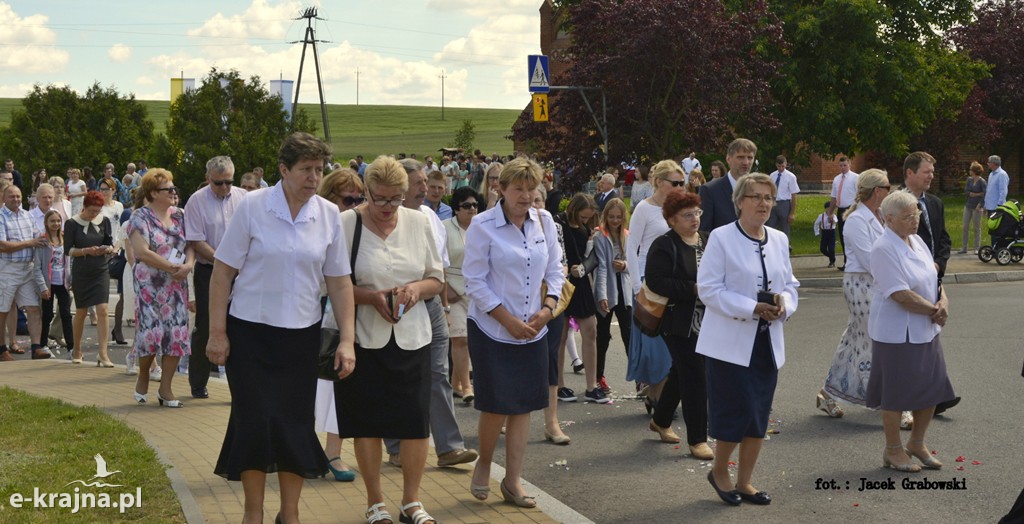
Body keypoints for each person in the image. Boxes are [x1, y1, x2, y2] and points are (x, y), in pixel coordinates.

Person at [208, 133, 355, 524]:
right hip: (250, 336)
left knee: (294, 426)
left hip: (301, 338)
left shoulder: (327, 215)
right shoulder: (253, 207)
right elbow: (222, 274)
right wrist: (217, 333)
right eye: (306, 169)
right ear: (283, 170)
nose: (313, 177)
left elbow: (340, 283)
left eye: (319, 170)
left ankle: (289, 513)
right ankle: (252, 513)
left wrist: (348, 341)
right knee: (254, 422)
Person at [332, 155, 442, 524]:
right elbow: (333, 283)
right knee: (367, 422)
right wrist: (371, 297)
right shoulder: (346, 224)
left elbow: (436, 279)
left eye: (396, 199)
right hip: (363, 338)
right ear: (366, 192)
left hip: (413, 337)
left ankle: (411, 501)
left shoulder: (418, 221)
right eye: (380, 199)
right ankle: (375, 501)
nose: (388, 207)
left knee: (414, 421)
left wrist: (414, 289)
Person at [464, 157, 564, 508]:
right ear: (500, 189)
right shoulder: (482, 225)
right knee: (496, 405)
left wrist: (548, 309)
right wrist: (507, 320)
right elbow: (473, 281)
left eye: (531, 188)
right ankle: (485, 463)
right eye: (517, 188)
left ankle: (512, 481)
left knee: (523, 406)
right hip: (492, 328)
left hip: (535, 327)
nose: (525, 196)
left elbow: (556, 270)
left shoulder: (545, 221)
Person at [697, 173, 799, 506]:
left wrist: (783, 306)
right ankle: (720, 471)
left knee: (757, 413)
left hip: (767, 344)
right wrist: (751, 307)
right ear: (740, 201)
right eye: (756, 197)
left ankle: (745, 480)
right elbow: (709, 290)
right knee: (734, 412)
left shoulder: (779, 239)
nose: (764, 204)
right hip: (729, 344)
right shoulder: (722, 238)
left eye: (769, 198)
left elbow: (790, 285)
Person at [384, 158, 477, 470]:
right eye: (418, 183)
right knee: (400, 378)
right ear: (399, 186)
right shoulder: (386, 218)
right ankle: (396, 447)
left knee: (437, 374)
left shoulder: (430, 217)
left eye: (426, 182)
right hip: (399, 305)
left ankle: (449, 447)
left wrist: (446, 307)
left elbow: (441, 266)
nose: (425, 188)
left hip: (433, 305)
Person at [866, 190, 956, 473]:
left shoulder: (917, 240)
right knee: (895, 392)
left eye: (916, 214)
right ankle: (892, 449)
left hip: (926, 329)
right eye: (907, 217)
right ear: (888, 219)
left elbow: (934, 278)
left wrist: (943, 301)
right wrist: (934, 310)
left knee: (931, 387)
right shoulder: (882, 248)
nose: (915, 220)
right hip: (897, 333)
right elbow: (900, 294)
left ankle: (917, 443)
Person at [643, 191, 713, 458]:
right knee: (696, 375)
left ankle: (660, 421)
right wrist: (693, 288)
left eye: (697, 212)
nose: (695, 219)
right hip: (677, 322)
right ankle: (698, 439)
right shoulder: (664, 244)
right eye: (687, 215)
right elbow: (656, 281)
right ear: (671, 220)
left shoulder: (707, 240)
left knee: (682, 372)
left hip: (708, 321)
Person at [817, 169, 891, 417]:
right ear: (877, 191)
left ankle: (826, 394)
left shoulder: (881, 216)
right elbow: (871, 260)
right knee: (877, 340)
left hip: (878, 284)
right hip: (860, 284)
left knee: (854, 341)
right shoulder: (857, 221)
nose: (891, 191)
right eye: (888, 187)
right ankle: (889, 400)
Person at [313, 168, 364, 483]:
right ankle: (302, 447)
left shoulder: (360, 226)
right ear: (330, 197)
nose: (355, 205)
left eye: (360, 199)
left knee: (339, 382)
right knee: (307, 385)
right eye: (349, 199)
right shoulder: (317, 224)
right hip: (313, 311)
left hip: (346, 315)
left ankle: (333, 451)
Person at [128, 169, 194, 407]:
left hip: (176, 285)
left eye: (174, 188)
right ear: (154, 193)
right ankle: (144, 373)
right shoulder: (140, 217)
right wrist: (170, 266)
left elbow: (191, 244)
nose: (174, 192)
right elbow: (142, 252)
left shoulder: (181, 216)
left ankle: (166, 389)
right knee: (151, 334)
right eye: (169, 189)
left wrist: (188, 264)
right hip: (149, 286)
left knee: (175, 335)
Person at [184, 156, 247, 400]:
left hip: (242, 271)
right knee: (207, 326)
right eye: (219, 183)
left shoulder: (244, 198)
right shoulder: (197, 201)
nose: (224, 188)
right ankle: (198, 382)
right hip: (210, 270)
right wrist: (223, 262)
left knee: (240, 327)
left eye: (229, 182)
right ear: (208, 178)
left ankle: (238, 387)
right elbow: (196, 240)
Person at [902, 151, 959, 417]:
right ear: (910, 173)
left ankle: (935, 395)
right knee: (917, 345)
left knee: (931, 340)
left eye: (933, 172)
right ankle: (924, 397)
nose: (931, 176)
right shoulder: (896, 204)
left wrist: (937, 266)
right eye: (926, 171)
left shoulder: (935, 203)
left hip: (933, 278)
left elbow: (944, 240)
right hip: (910, 283)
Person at [625, 160, 685, 408]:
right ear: (659, 183)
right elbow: (632, 247)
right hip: (648, 283)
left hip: (676, 282)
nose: (680, 187)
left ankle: (664, 399)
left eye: (683, 183)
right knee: (656, 347)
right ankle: (655, 395)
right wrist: (638, 286)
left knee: (676, 346)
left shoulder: (680, 209)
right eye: (675, 183)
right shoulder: (644, 209)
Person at [531, 186, 572, 444]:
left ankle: (552, 423)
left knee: (550, 358)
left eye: (538, 200)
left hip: (550, 300)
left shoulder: (552, 226)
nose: (533, 205)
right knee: (515, 359)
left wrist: (550, 293)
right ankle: (504, 416)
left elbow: (563, 263)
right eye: (529, 199)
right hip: (516, 303)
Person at [557, 193, 607, 403]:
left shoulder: (586, 228)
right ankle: (558, 384)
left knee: (590, 330)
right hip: (562, 282)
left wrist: (584, 268)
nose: (585, 221)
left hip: (581, 281)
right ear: (574, 210)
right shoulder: (558, 222)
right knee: (560, 335)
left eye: (588, 218)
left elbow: (591, 257)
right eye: (583, 217)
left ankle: (591, 385)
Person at [64, 190, 116, 366]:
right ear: (84, 207)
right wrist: (86, 251)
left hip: (100, 270)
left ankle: (103, 353)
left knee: (102, 309)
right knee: (81, 311)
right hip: (82, 271)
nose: (95, 214)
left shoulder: (105, 221)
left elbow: (110, 243)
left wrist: (107, 249)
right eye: (92, 210)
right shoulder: (72, 223)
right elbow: (68, 250)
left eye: (98, 211)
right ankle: (77, 349)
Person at [0, 185, 51, 362]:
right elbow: (2, 245)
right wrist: (30, 243)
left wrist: (55, 236)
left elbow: (40, 238)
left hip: (27, 269)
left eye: (18, 196)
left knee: (34, 308)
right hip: (8, 268)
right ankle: (1, 349)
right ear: (4, 198)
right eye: (12, 196)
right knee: (3, 310)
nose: (15, 199)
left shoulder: (27, 216)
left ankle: (36, 347)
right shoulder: (0, 218)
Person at [444, 186, 479, 403]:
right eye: (466, 205)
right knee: (460, 339)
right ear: (456, 208)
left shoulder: (481, 228)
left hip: (474, 290)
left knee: (470, 339)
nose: (472, 209)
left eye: (475, 205)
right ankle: (467, 386)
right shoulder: (444, 228)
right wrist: (444, 287)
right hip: (452, 289)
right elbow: (437, 259)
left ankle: (456, 383)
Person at [593, 197, 631, 394]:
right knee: (603, 336)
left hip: (624, 291)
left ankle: (639, 378)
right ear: (605, 216)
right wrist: (601, 295)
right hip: (607, 289)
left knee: (629, 335)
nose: (615, 220)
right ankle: (598, 376)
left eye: (618, 217)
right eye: (611, 216)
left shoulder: (627, 235)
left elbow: (634, 263)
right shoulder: (600, 236)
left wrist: (624, 265)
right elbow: (601, 269)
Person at [36, 209, 72, 357]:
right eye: (52, 221)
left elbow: (70, 261)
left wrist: (71, 280)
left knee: (66, 314)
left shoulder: (65, 239)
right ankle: (43, 344)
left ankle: (72, 347)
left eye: (58, 221)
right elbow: (37, 267)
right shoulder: (42, 241)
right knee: (47, 314)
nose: (56, 224)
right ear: (46, 223)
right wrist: (43, 287)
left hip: (63, 283)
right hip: (49, 284)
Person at [699, 139, 757, 231]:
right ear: (728, 159)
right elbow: (704, 231)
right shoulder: (710, 190)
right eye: (740, 157)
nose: (746, 162)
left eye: (750, 158)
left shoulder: (758, 190)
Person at [96, 178, 127, 345]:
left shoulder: (119, 206)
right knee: (99, 293)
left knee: (123, 291)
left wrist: (118, 246)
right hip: (103, 251)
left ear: (114, 190)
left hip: (119, 250)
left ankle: (118, 329)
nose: (104, 192)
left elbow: (121, 229)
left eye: (107, 189)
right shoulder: (98, 208)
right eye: (102, 189)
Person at [829, 156, 859, 270]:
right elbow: (833, 197)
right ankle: (847, 262)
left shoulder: (856, 178)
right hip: (841, 209)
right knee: (843, 236)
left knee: (852, 236)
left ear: (849, 164)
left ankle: (855, 262)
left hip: (851, 209)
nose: (843, 168)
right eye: (841, 165)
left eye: (845, 165)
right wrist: (830, 212)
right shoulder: (836, 179)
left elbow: (859, 195)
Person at [767, 155, 800, 239]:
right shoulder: (772, 175)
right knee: (770, 226)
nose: (781, 168)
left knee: (785, 227)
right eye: (779, 166)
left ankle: (786, 246)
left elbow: (794, 195)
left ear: (786, 164)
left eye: (783, 166)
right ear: (776, 165)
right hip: (773, 203)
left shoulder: (791, 177)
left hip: (784, 203)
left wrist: (792, 213)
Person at [960, 161, 987, 254]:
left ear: (975, 171)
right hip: (968, 205)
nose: (969, 171)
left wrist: (980, 204)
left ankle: (977, 247)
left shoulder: (982, 182)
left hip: (977, 207)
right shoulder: (969, 180)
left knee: (976, 228)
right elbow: (967, 192)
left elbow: (985, 194)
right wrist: (977, 194)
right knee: (965, 226)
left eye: (971, 169)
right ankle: (964, 247)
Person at [814, 202, 837, 267]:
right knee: (822, 248)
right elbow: (816, 224)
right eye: (828, 208)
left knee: (831, 248)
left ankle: (832, 262)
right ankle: (832, 257)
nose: (830, 210)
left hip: (832, 232)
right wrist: (817, 232)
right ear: (826, 209)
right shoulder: (821, 216)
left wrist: (832, 218)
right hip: (824, 232)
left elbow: (836, 221)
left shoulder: (834, 216)